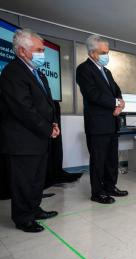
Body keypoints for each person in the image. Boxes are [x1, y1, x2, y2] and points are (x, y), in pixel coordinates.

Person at [0, 29, 60, 233]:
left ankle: (34, 209)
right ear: (22, 51)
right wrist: (47, 129)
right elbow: (23, 109)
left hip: (38, 137)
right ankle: (23, 218)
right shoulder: (12, 72)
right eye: (39, 50)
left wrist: (52, 123)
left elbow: (46, 104)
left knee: (36, 179)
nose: (43, 53)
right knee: (23, 182)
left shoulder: (37, 72)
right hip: (22, 140)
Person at [76, 35, 128, 204]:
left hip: (112, 123)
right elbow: (92, 94)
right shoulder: (84, 69)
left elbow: (116, 90)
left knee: (112, 159)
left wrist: (119, 103)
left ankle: (110, 187)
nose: (107, 55)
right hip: (97, 125)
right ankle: (97, 193)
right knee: (98, 160)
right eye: (103, 52)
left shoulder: (106, 71)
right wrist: (115, 103)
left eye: (108, 52)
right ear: (92, 53)